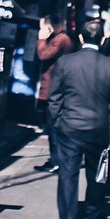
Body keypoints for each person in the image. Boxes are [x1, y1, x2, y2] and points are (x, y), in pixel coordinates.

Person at [48, 21, 110, 219]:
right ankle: (92, 212)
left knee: (68, 173)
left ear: (80, 39)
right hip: (98, 129)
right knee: (96, 173)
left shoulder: (65, 63)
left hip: (69, 127)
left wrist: (56, 122)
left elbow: (55, 97)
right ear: (102, 40)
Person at [34, 15, 73, 173]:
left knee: (53, 127)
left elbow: (43, 55)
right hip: (52, 88)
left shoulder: (60, 39)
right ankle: (55, 159)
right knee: (51, 126)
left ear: (49, 27)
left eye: (43, 26)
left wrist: (41, 40)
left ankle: (56, 160)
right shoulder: (62, 38)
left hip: (53, 90)